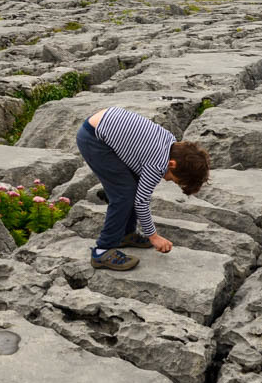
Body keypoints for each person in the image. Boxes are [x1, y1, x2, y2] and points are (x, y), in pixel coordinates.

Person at [75, 107, 210, 271]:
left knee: (131, 188)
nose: (166, 180)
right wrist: (153, 236)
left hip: (101, 126)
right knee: (124, 195)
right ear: (172, 164)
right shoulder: (158, 164)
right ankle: (102, 251)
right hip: (94, 139)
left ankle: (126, 234)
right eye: (173, 179)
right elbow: (141, 202)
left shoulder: (171, 143)